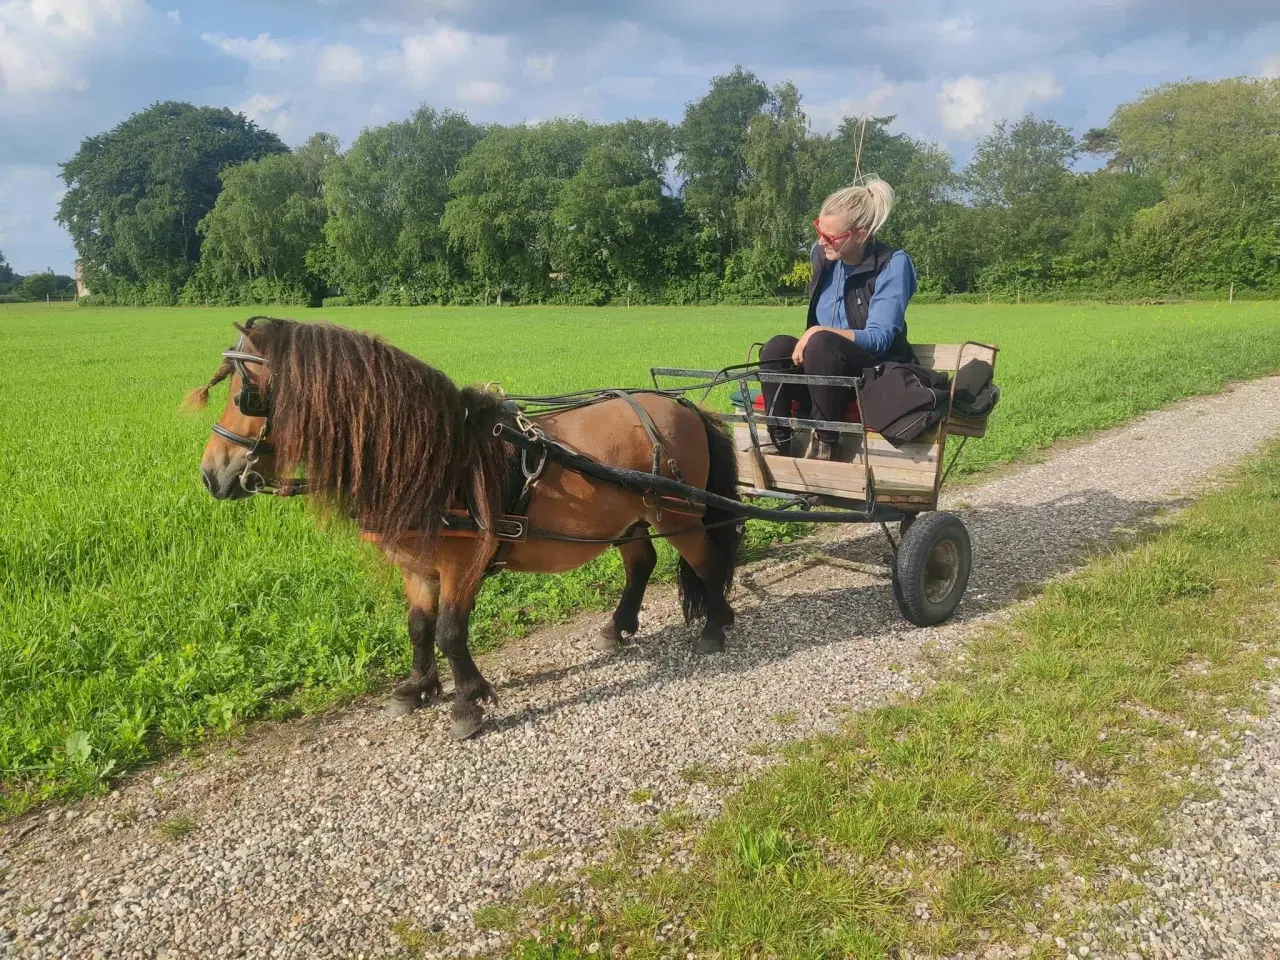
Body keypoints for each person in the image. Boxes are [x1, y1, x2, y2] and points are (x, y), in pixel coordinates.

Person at [759, 176, 918, 460]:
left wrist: (820, 332)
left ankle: (826, 445)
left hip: (872, 374)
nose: (821, 241)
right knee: (775, 347)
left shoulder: (894, 264)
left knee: (820, 342)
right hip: (824, 372)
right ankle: (777, 442)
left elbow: (880, 339)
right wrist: (818, 334)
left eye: (830, 237)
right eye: (819, 229)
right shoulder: (823, 255)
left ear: (861, 234)